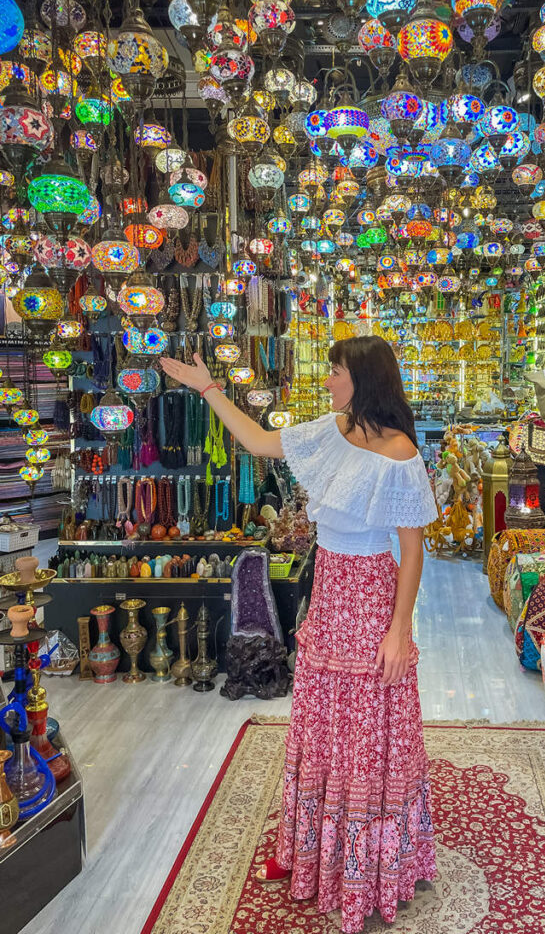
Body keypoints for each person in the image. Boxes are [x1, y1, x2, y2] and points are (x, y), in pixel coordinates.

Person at [159, 335, 438, 934]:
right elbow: (256, 440)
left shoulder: (400, 453)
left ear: (362, 378)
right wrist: (206, 387)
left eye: (336, 371)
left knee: (364, 729)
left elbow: (412, 552)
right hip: (329, 589)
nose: (330, 380)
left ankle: (366, 863)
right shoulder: (327, 429)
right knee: (319, 721)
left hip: (369, 596)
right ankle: (314, 845)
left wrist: (399, 631)